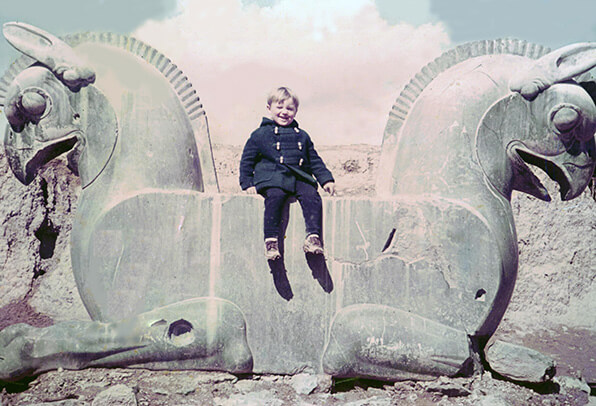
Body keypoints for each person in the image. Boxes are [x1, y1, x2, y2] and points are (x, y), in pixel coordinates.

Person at [239, 87, 335, 260]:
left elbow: (314, 161)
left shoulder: (302, 136)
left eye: (290, 109)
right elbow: (247, 160)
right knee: (275, 195)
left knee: (311, 195)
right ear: (269, 108)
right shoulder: (260, 134)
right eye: (279, 107)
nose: (284, 112)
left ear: (296, 111)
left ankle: (313, 237)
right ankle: (271, 241)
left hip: (298, 177)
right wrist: (247, 184)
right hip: (272, 177)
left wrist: (326, 180)